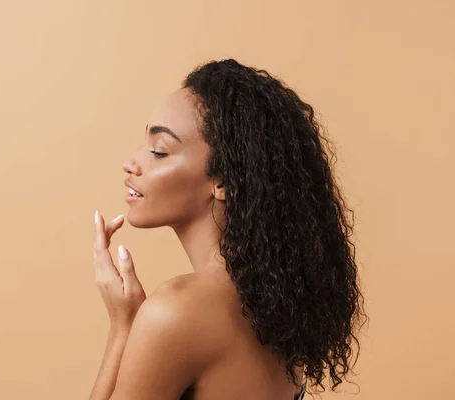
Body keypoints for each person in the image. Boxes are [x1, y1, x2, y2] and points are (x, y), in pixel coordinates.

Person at [90, 59, 368, 400]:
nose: (132, 163)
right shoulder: (278, 303)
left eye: (159, 151)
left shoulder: (176, 313)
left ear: (223, 181)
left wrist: (123, 328)